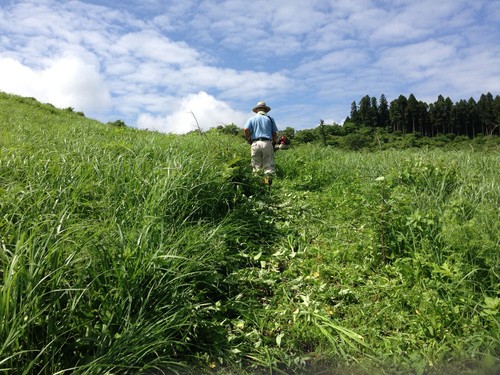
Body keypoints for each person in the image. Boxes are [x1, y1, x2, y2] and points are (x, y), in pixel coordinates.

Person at [244, 101, 278, 184]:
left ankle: (258, 184)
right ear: (265, 110)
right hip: (267, 142)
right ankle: (268, 184)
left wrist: (249, 139)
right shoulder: (270, 119)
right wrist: (273, 142)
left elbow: (246, 129)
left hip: (255, 143)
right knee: (268, 165)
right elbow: (274, 133)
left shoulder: (252, 119)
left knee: (256, 166)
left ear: (256, 110)